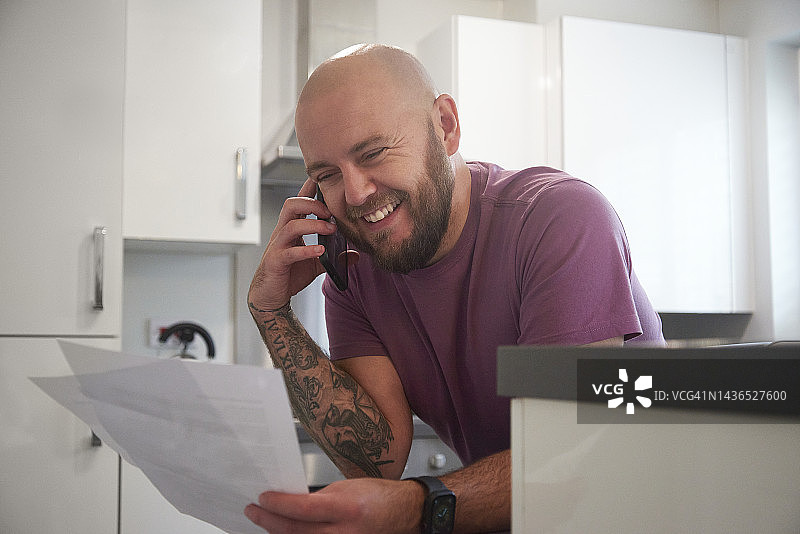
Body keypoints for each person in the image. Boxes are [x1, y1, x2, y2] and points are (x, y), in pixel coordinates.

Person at [245, 43, 664, 533]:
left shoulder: (559, 220)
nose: (356, 194)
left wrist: (415, 507)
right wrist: (271, 311)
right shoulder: (357, 261)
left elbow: (572, 457)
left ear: (445, 126)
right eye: (327, 175)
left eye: (374, 152)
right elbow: (375, 461)